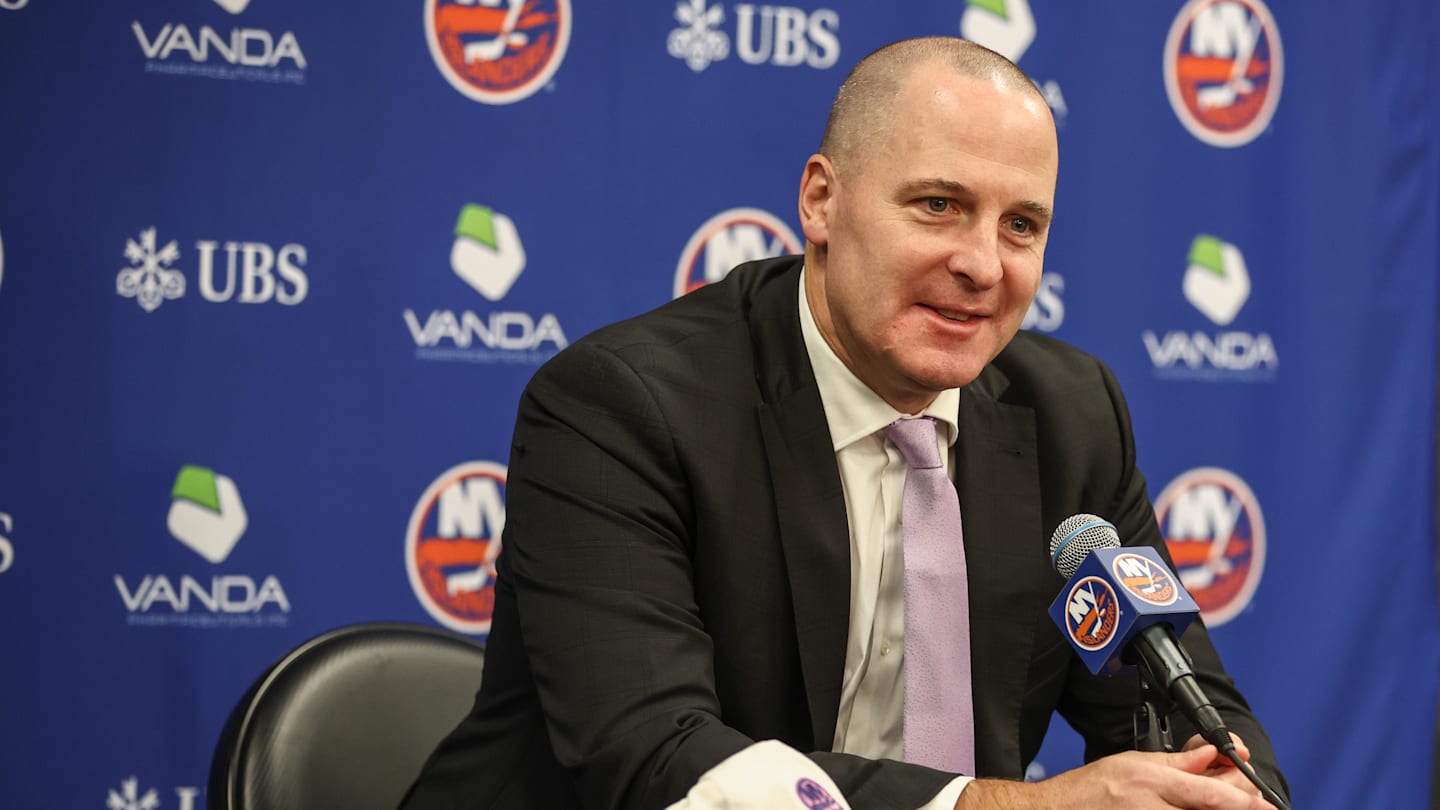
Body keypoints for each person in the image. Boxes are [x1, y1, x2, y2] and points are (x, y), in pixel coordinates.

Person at [400, 36, 1289, 810]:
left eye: (1021, 224)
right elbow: (661, 764)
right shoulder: (621, 406)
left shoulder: (1072, 415)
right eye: (938, 204)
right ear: (821, 201)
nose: (982, 264)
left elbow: (1181, 704)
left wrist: (1216, 787)